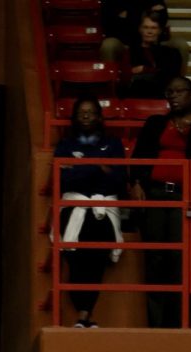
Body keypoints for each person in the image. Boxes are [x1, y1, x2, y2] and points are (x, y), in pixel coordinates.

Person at [130, 76, 191, 328]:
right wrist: (136, 182)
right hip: (157, 194)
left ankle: (180, 324)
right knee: (156, 259)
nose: (173, 95)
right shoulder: (156, 123)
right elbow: (139, 157)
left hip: (186, 198)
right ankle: (156, 325)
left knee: (180, 260)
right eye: (169, 91)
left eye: (179, 91)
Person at [54, 98, 127, 329]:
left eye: (91, 112)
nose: (86, 116)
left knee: (96, 260)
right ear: (75, 117)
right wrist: (98, 167)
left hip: (102, 210)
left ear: (99, 117)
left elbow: (118, 180)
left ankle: (85, 315)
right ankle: (82, 314)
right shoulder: (65, 145)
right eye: (81, 113)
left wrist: (82, 167)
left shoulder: (113, 145)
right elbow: (63, 179)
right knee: (75, 259)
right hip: (75, 207)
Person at [122, 10, 184, 99]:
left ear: (159, 31)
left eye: (153, 28)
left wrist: (145, 69)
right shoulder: (130, 52)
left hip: (163, 96)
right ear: (140, 29)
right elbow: (125, 78)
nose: (149, 31)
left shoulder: (171, 53)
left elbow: (170, 78)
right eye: (146, 27)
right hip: (138, 96)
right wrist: (155, 72)